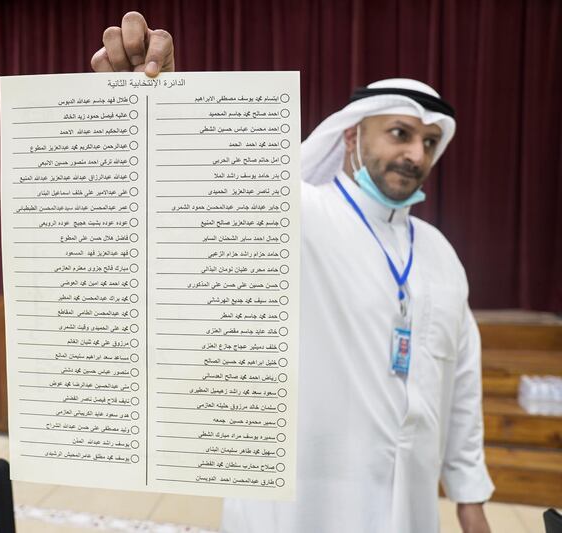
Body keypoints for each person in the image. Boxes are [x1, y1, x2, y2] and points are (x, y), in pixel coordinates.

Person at [92, 12, 494, 533]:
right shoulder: (294, 213)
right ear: (350, 137)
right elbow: (200, 185)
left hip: (411, 512)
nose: (416, 154)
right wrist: (158, 98)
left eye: (430, 142)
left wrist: (469, 497)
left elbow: (462, 379)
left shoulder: (439, 253)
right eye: (400, 133)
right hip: (296, 513)